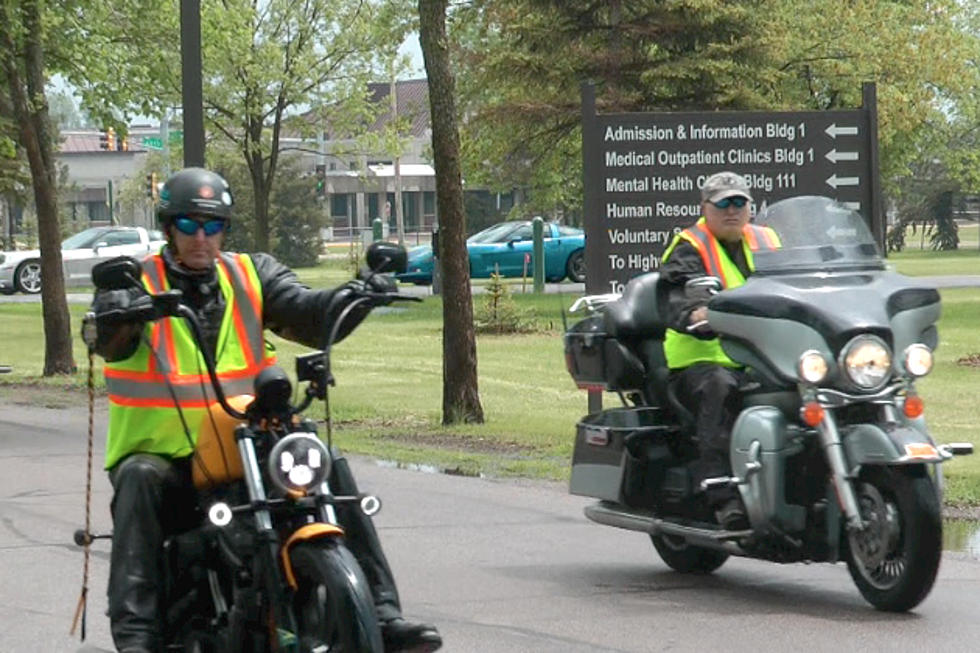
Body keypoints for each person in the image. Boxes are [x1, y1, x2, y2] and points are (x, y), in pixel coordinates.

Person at [89, 167, 442, 653]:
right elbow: (108, 341)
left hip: (250, 442)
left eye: (212, 227)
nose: (202, 238)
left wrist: (359, 292)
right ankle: (137, 638)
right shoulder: (138, 281)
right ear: (168, 228)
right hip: (167, 455)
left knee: (322, 456)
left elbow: (307, 312)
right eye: (189, 226)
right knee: (138, 481)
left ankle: (381, 612)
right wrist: (116, 311)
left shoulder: (251, 273)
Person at [659, 171, 779, 531]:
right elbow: (684, 292)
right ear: (705, 208)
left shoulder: (769, 242)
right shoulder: (689, 246)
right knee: (720, 388)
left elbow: (802, 280)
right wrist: (698, 312)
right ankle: (722, 493)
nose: (732, 210)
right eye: (723, 203)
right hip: (701, 359)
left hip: (767, 358)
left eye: (739, 202)